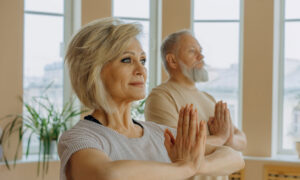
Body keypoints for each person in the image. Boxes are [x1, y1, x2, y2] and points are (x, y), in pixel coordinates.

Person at [58, 18, 245, 180]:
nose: (141, 71)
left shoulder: (158, 133)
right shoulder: (80, 138)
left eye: (143, 60)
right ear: (93, 70)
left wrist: (196, 165)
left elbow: (235, 157)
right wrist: (184, 167)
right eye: (127, 60)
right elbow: (108, 175)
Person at [144, 30, 247, 180]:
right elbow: (176, 149)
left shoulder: (209, 98)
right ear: (172, 60)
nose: (201, 56)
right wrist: (219, 137)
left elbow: (242, 141)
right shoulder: (161, 97)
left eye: (201, 51)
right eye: (192, 51)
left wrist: (228, 139)